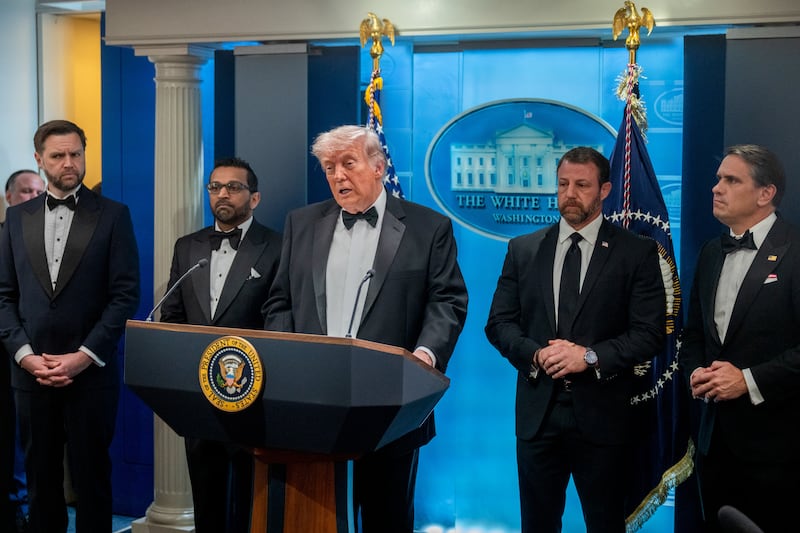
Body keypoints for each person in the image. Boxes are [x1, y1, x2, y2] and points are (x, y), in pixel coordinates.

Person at [263, 125, 468, 533]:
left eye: (348, 164)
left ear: (378, 167)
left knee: (386, 518)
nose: (338, 175)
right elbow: (279, 301)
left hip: (392, 403)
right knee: (315, 519)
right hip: (311, 402)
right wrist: (289, 359)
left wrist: (424, 356)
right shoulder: (301, 223)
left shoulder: (428, 228)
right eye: (329, 167)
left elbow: (447, 301)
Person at [485, 146, 665, 533]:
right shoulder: (524, 249)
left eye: (582, 185)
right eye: (563, 184)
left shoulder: (636, 252)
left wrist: (590, 357)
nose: (570, 193)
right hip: (538, 417)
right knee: (537, 524)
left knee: (605, 524)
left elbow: (649, 334)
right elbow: (499, 323)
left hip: (604, 416)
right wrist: (535, 355)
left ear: (604, 190)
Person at [0, 119, 140, 533]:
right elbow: (4, 296)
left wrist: (83, 357)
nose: (69, 163)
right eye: (58, 155)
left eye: (75, 154)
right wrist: (26, 358)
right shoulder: (16, 217)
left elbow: (124, 296)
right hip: (31, 373)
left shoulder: (114, 215)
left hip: (91, 373)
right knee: (41, 481)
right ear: (39, 159)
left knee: (92, 480)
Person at [680, 144, 800, 533]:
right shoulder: (711, 252)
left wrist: (747, 380)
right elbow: (694, 334)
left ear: (766, 194)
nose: (717, 188)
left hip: (778, 451)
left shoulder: (796, 251)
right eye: (718, 179)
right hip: (714, 445)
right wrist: (696, 372)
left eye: (732, 180)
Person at [159, 157, 282, 533]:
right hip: (199, 396)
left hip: (254, 394)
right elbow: (172, 316)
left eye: (233, 187)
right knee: (206, 495)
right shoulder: (187, 247)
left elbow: (282, 318)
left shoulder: (277, 246)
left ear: (255, 198)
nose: (222, 194)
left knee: (251, 499)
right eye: (215, 187)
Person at [1, 169, 44, 532]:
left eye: (38, 192)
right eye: (25, 192)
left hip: (28, 356)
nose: (33, 198)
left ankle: (20, 507)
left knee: (22, 439)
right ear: (8, 198)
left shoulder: (49, 241)